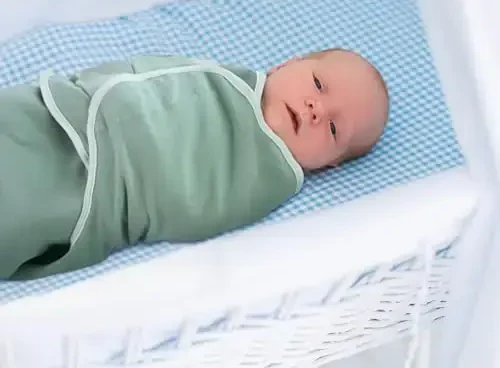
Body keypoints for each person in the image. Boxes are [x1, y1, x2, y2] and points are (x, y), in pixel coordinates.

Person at [0, 48, 388, 280]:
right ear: (288, 63)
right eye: (318, 84)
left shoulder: (267, 179)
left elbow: (193, 205)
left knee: (22, 209)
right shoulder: (223, 80)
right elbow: (145, 72)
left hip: (98, 189)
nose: (316, 108)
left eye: (334, 129)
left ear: (329, 165)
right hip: (70, 114)